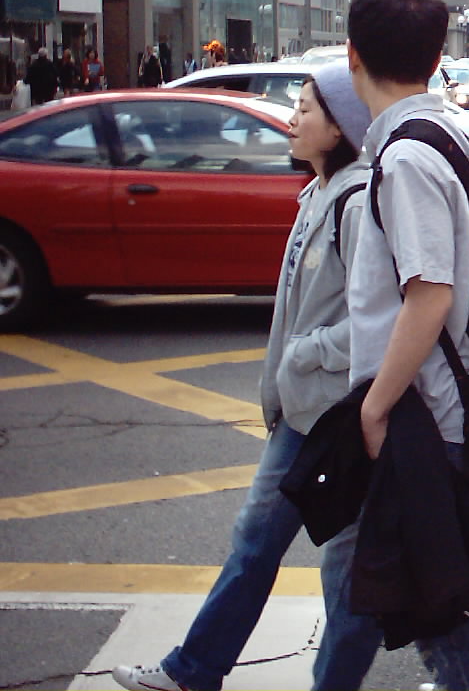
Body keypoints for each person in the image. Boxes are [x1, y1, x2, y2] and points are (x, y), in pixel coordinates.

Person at [111, 63, 381, 691]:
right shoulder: (317, 194)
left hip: (332, 414)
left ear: (338, 126)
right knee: (280, 549)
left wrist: (307, 355)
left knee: (324, 561)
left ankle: (200, 671)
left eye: (306, 109)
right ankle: (198, 670)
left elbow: (383, 318)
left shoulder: (358, 203)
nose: (292, 119)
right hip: (304, 407)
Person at [345, 0, 469, 691]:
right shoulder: (447, 131)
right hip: (446, 399)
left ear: (354, 54)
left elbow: (428, 295)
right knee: (446, 596)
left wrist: (376, 406)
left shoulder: (409, 155)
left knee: (457, 609)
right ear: (437, 54)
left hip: (427, 411)